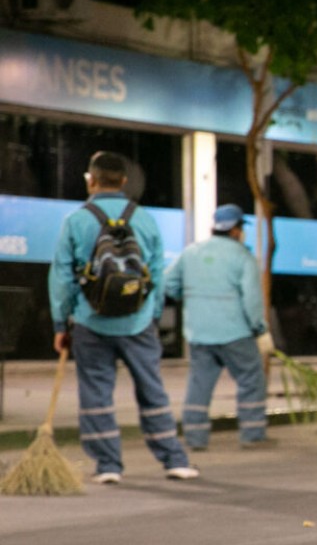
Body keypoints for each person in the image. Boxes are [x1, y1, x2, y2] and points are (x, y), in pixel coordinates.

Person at [48, 151, 199, 484]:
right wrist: (152, 315)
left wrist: (62, 323)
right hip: (138, 321)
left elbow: (61, 276)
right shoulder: (143, 218)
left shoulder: (77, 220)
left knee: (96, 392)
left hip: (90, 322)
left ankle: (108, 466)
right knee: (152, 388)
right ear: (125, 182)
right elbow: (156, 273)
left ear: (91, 179)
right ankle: (174, 459)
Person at [165, 203, 274, 450]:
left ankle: (195, 437)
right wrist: (258, 327)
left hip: (199, 332)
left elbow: (168, 283)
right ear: (235, 230)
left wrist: (189, 299)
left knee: (199, 383)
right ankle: (252, 433)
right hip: (235, 332)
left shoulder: (190, 252)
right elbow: (252, 300)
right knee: (251, 378)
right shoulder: (242, 257)